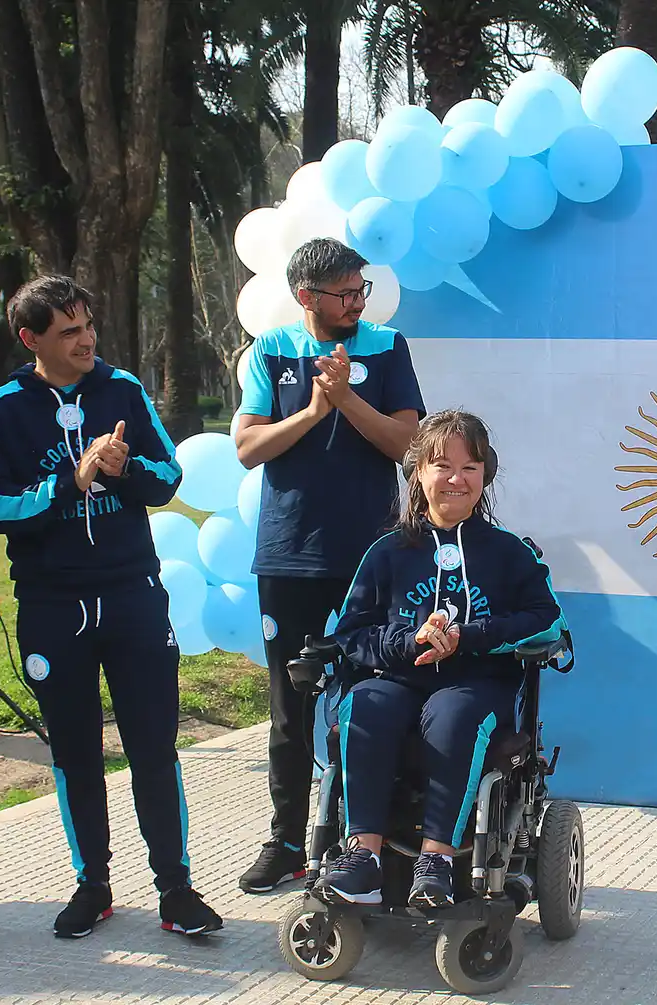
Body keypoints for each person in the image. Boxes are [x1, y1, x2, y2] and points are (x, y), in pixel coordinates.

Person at [0, 275, 221, 939]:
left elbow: (168, 476)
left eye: (88, 326)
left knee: (152, 748)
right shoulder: (2, 409)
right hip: (54, 605)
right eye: (68, 332)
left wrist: (120, 469)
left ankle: (176, 887)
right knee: (77, 753)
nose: (86, 341)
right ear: (31, 339)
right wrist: (66, 480)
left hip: (132, 595)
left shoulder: (123, 389)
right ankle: (94, 884)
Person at [233, 237, 424, 894]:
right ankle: (287, 840)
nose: (356, 303)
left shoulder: (385, 347)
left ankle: (363, 839)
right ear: (304, 296)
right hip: (288, 555)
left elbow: (409, 444)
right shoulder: (272, 350)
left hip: (373, 557)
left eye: (360, 291)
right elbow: (249, 446)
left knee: (371, 699)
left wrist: (346, 402)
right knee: (290, 707)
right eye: (344, 293)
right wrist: (314, 411)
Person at [316, 410, 565, 909]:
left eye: (470, 467)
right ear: (418, 474)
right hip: (398, 678)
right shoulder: (387, 552)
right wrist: (410, 642)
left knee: (453, 716)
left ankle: (437, 860)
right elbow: (351, 630)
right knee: (366, 704)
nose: (456, 478)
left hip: (475, 682)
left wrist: (469, 636)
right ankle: (363, 856)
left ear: (485, 476)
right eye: (442, 465)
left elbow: (547, 621)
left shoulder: (510, 552)